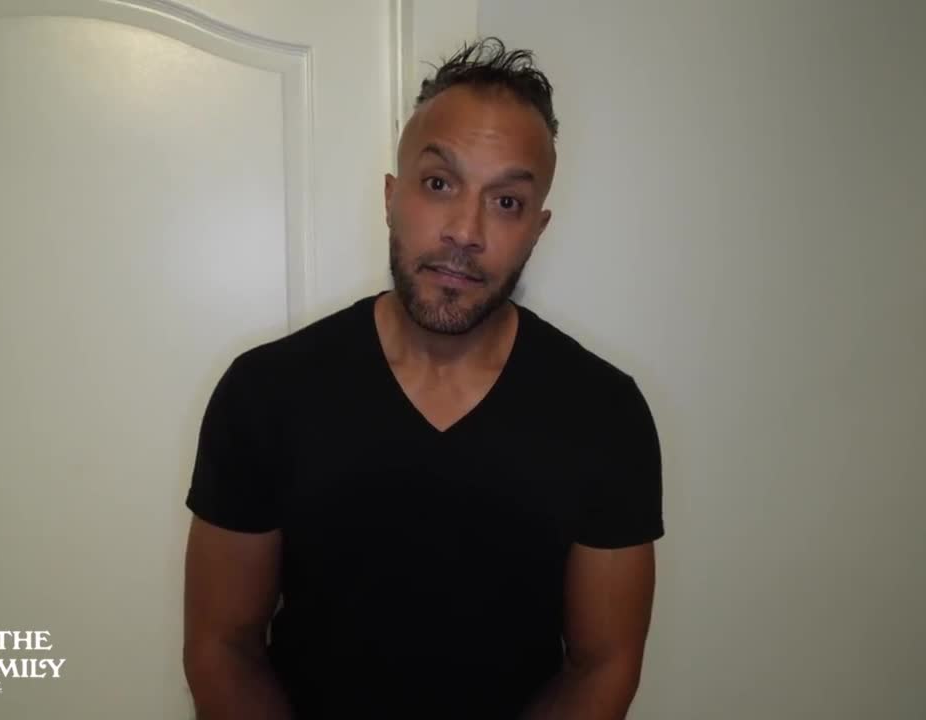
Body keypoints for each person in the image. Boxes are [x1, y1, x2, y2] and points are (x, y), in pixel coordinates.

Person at [182, 37, 664, 720]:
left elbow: (605, 664)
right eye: (439, 185)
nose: (465, 231)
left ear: (538, 229)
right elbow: (222, 648)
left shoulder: (605, 415)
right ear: (391, 197)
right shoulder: (265, 394)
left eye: (506, 202)